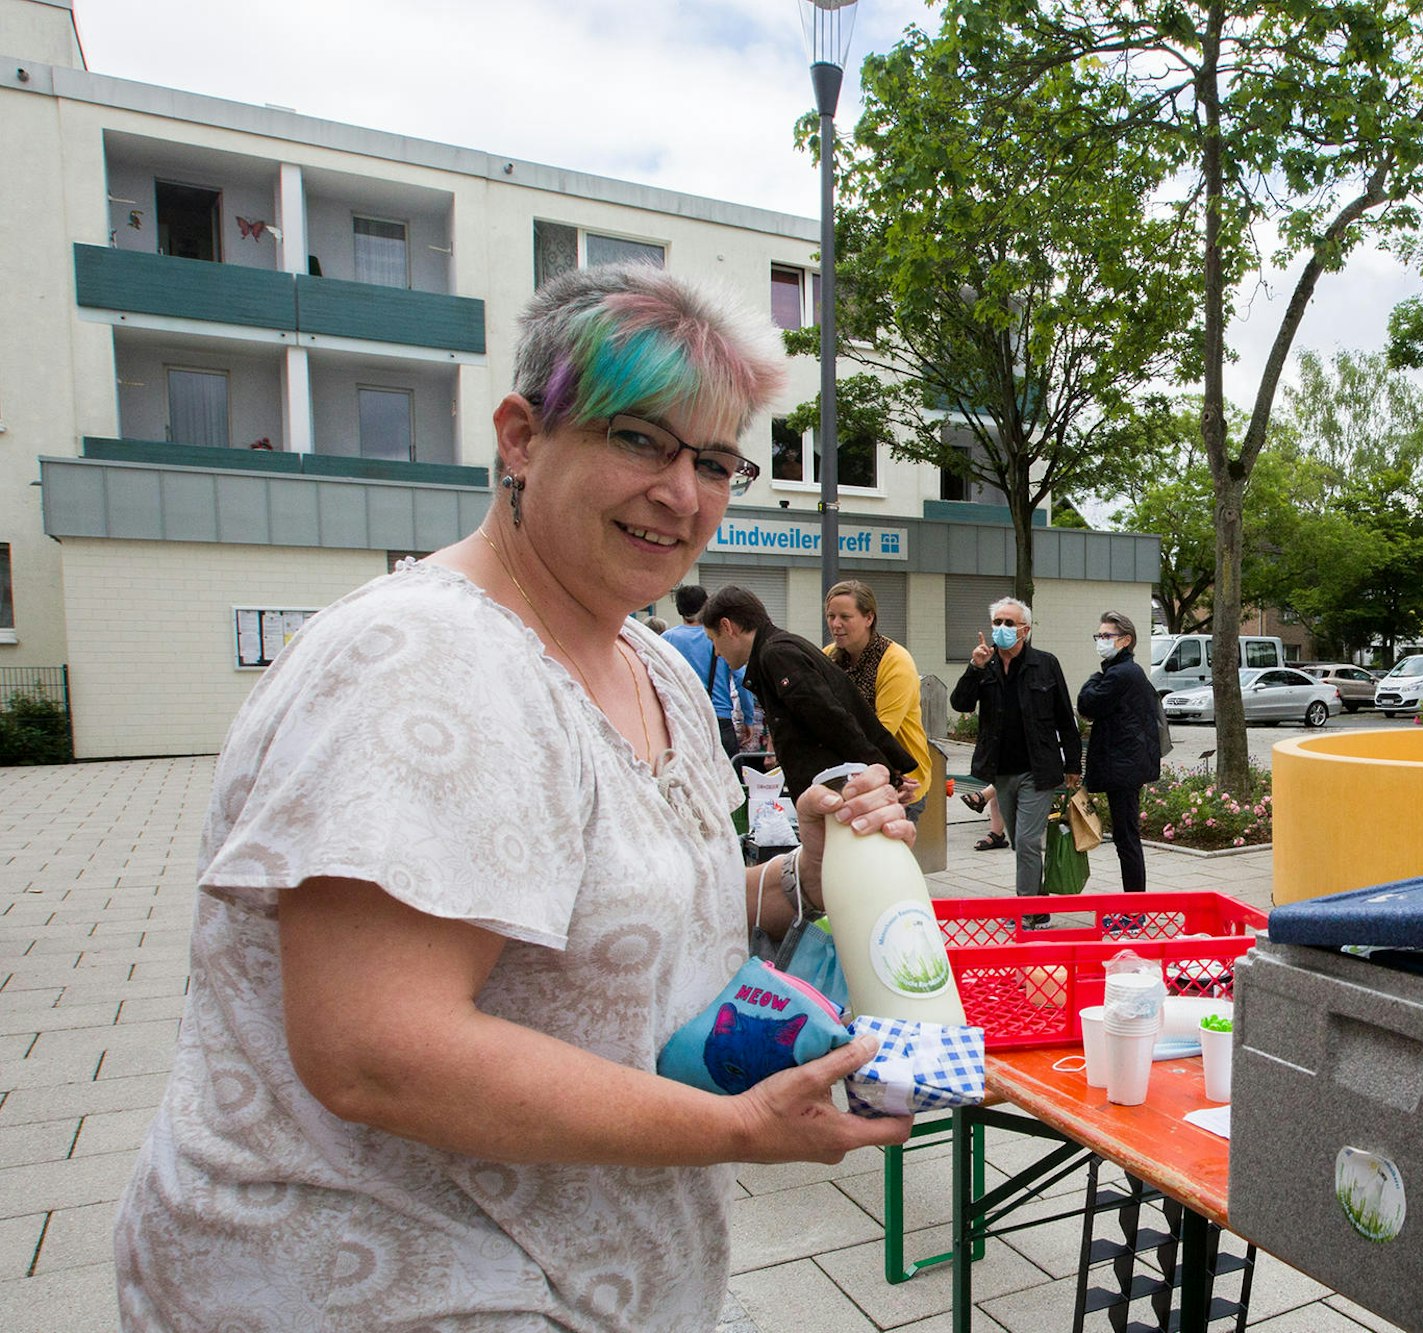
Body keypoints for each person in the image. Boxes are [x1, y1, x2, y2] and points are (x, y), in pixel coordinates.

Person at [113, 263, 912, 1331]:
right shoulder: (417, 659)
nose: (682, 492)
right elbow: (373, 1049)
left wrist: (797, 879)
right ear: (521, 437)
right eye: (639, 439)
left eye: (714, 461)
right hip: (392, 1284)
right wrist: (736, 1128)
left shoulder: (652, 663)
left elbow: (624, 905)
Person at [701, 584, 919, 802]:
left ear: (727, 626)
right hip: (841, 789)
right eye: (831, 616)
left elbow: (830, 719)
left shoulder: (777, 655)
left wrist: (887, 774)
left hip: (840, 792)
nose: (717, 652)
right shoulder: (782, 648)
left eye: (713, 640)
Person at [950, 597, 1082, 927]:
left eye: (1009, 623)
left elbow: (1066, 718)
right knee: (1017, 843)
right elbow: (960, 704)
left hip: (1038, 771)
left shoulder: (1045, 664)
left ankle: (1027, 912)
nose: (1002, 629)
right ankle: (1038, 906)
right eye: (997, 623)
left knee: (1025, 841)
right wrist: (974, 667)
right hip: (1001, 772)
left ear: (1024, 629)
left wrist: (1073, 765)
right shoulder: (987, 666)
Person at [824, 578, 934, 815]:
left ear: (868, 618)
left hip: (901, 781)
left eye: (845, 617)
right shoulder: (828, 656)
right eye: (831, 616)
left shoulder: (895, 661)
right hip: (850, 779)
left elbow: (881, 732)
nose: (836, 625)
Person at [1077, 610, 1162, 895]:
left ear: (1125, 640)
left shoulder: (1121, 674)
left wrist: (1092, 679)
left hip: (1124, 768)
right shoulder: (1122, 672)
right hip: (1126, 764)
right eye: (1098, 636)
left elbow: (1087, 704)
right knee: (1126, 838)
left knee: (1127, 839)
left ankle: (1135, 909)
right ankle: (1133, 906)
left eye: (1106, 636)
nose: (1100, 641)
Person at [662, 582, 754, 757]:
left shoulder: (666, 639)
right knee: (730, 781)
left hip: (683, 720)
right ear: (707, 606)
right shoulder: (719, 637)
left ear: (679, 609)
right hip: (720, 720)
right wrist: (748, 718)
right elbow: (742, 679)